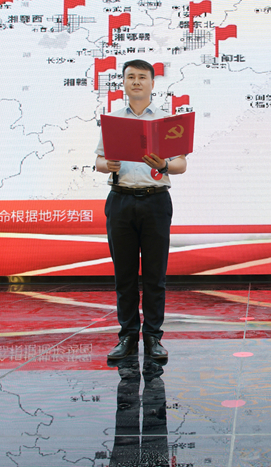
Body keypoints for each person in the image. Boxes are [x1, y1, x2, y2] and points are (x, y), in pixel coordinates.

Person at [95, 59, 187, 362]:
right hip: (120, 200)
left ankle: (153, 337)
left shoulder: (166, 121)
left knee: (154, 275)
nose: (136, 82)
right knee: (124, 275)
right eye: (131, 77)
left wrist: (164, 164)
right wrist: (107, 164)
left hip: (155, 201)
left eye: (142, 77)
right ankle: (127, 336)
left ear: (152, 83)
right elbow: (98, 161)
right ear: (123, 82)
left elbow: (181, 164)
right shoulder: (112, 120)